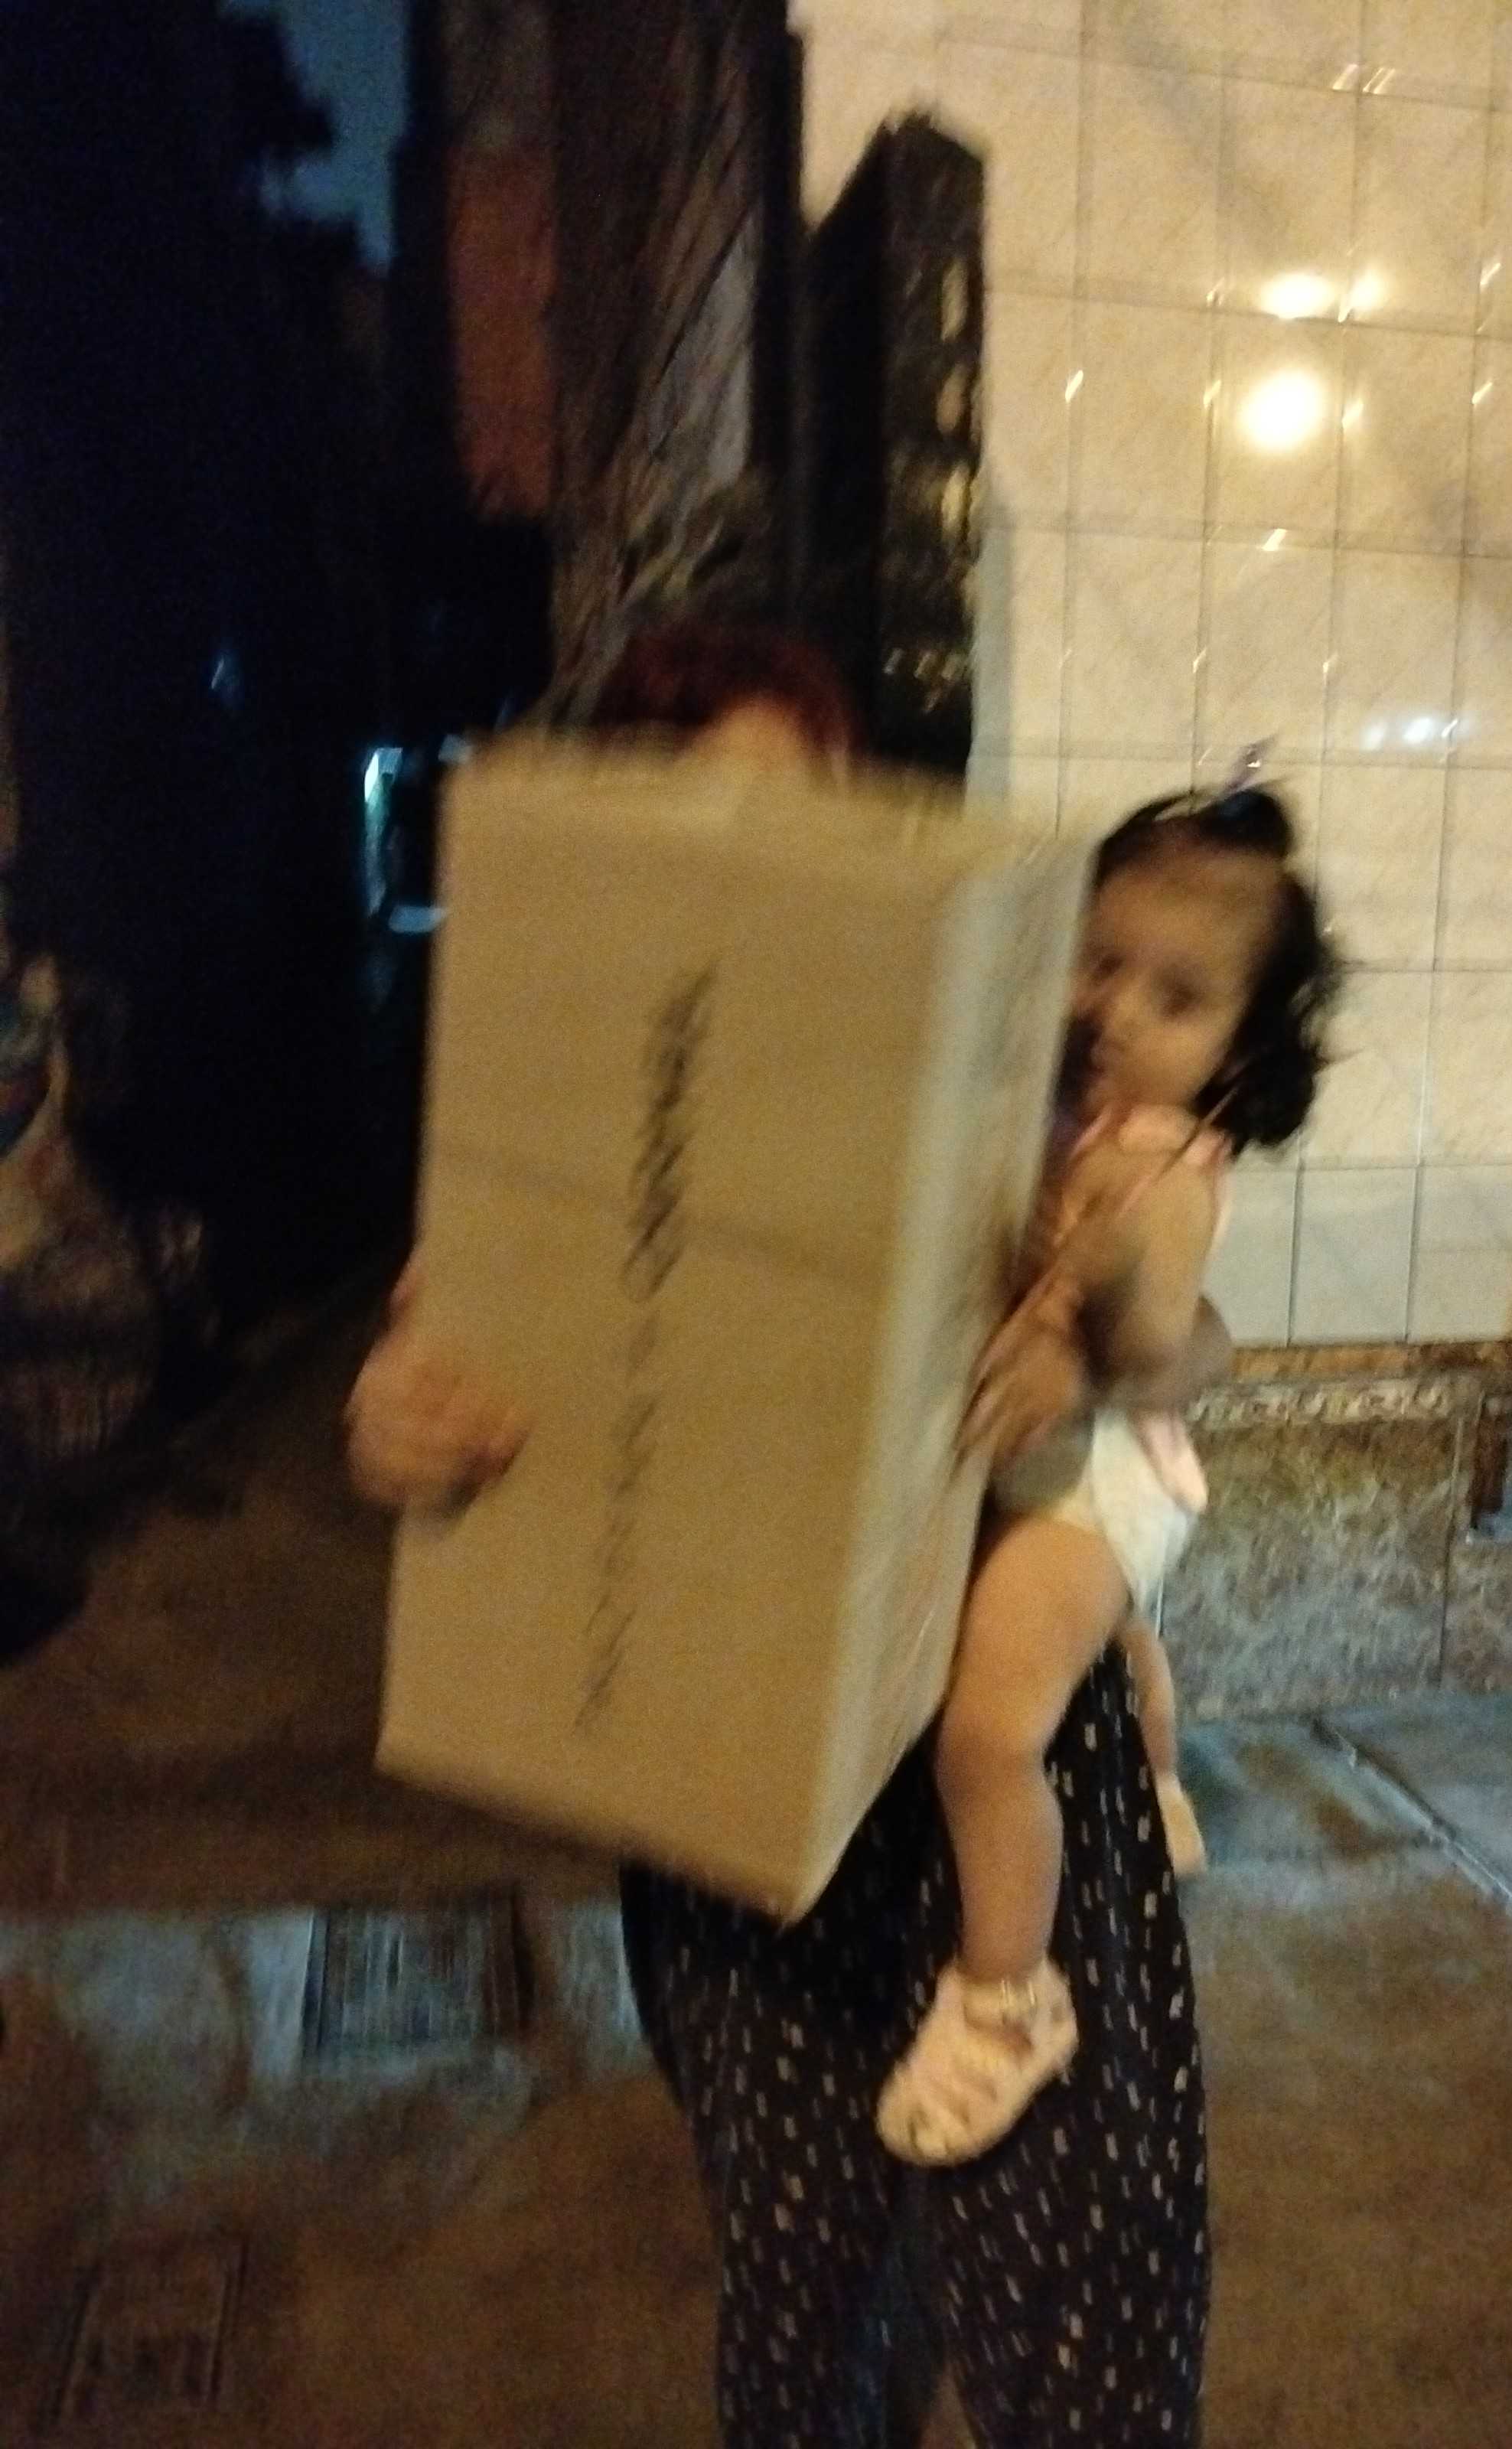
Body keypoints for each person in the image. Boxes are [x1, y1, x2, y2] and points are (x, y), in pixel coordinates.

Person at [347, 620, 1259, 2446]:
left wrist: (1097, 1352)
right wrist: (389, 1423)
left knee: (1081, 2291)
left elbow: (1200, 1342)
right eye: (703, 821)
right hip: (738, 1810)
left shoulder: (981, 1067)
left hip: (999, 1786)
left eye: (801, 817)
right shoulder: (562, 1124)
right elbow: (439, 1355)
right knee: (809, 2293)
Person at [876, 785, 1333, 2167]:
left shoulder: (1164, 1170)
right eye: (1100, 962)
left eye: (1176, 999)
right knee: (1108, 1644)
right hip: (1045, 1465)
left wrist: (1107, 1275)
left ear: (1239, 1050)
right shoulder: (1060, 1111)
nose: (1119, 1012)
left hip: (1100, 1480)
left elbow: (1149, 1351)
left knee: (986, 1735)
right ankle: (1160, 1776)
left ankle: (1008, 2002)